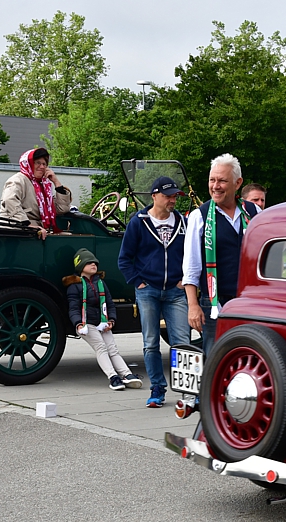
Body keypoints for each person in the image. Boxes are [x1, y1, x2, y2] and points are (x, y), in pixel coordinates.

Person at [118, 176, 193, 408]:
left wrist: (184, 280)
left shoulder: (183, 222)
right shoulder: (138, 222)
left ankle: (188, 392)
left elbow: (193, 255)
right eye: (168, 196)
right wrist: (137, 282)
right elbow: (124, 258)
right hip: (148, 289)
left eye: (175, 196)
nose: (173, 200)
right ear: (154, 196)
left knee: (182, 342)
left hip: (176, 291)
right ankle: (157, 389)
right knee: (150, 342)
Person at [183, 154, 260, 355]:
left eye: (222, 181)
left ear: (238, 183)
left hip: (249, 299)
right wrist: (192, 305)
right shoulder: (199, 217)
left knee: (249, 351)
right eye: (212, 180)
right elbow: (191, 266)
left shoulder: (254, 213)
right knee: (215, 354)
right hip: (214, 302)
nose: (215, 186)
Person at [64, 248, 142, 391]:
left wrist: (111, 320)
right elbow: (73, 308)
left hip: (102, 322)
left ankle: (127, 374)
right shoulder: (74, 286)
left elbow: (109, 303)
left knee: (112, 348)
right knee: (100, 347)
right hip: (85, 323)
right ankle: (113, 377)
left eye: (95, 263)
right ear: (81, 266)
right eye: (89, 263)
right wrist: (78, 324)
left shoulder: (100, 283)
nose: (94, 265)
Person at [0, 148, 72, 239]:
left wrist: (56, 182)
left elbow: (61, 209)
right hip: (16, 230)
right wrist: (27, 225)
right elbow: (9, 200)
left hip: (37, 231)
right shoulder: (18, 180)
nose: (42, 167)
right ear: (29, 163)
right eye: (38, 163)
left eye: (44, 164)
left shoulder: (44, 186)